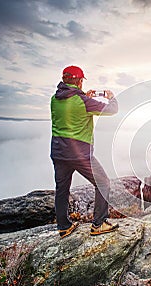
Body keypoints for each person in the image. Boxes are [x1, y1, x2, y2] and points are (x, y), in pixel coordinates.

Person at [50, 65, 119, 238]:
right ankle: (99, 224)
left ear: (64, 79)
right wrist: (112, 98)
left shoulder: (54, 99)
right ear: (80, 81)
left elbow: (69, 112)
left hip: (58, 151)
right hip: (79, 154)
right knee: (103, 183)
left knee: (62, 190)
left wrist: (82, 97)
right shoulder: (84, 102)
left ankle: (64, 227)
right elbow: (112, 110)